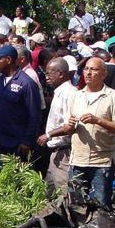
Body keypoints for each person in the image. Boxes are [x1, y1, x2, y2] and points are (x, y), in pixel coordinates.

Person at [47, 57, 115, 207]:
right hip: (77, 160)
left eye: (93, 70)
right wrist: (69, 126)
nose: (88, 73)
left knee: (100, 207)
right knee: (76, 207)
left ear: (103, 74)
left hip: (101, 162)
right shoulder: (76, 96)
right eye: (86, 69)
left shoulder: (114, 97)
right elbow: (70, 129)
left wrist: (98, 121)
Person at [0, 45, 40, 176]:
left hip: (17, 146)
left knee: (16, 186)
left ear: (9, 59)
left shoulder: (26, 83)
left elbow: (35, 114)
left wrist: (27, 141)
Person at [38, 57, 76, 190]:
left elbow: (69, 125)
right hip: (55, 153)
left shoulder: (69, 93)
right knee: (48, 195)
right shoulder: (59, 92)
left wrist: (48, 134)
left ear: (61, 73)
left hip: (64, 153)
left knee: (64, 195)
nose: (46, 77)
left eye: (49, 73)